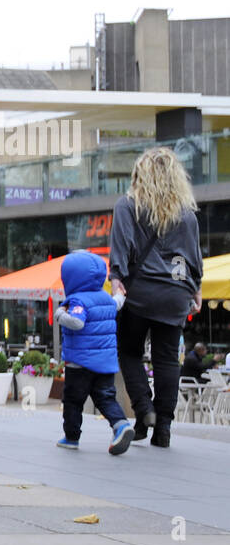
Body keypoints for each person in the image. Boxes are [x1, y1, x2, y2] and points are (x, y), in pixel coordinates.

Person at [109, 147, 202, 448]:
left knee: (129, 351)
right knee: (166, 360)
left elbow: (120, 248)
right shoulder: (187, 214)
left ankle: (143, 408)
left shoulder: (128, 206)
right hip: (176, 293)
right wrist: (195, 289)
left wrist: (116, 280)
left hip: (141, 293)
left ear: (140, 175)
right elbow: (194, 259)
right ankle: (163, 427)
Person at [54, 251, 134, 455]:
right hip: (105, 363)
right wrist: (120, 294)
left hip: (79, 363)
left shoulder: (77, 301)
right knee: (106, 398)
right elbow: (118, 303)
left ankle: (71, 438)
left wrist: (60, 315)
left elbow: (77, 322)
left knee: (73, 401)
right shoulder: (107, 299)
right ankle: (121, 425)